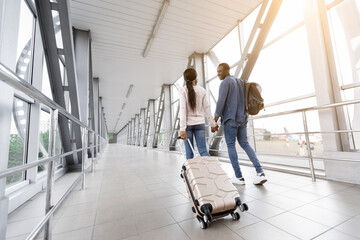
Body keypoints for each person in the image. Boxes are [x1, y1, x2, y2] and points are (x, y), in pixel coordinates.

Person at [214, 63, 267, 185]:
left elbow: (220, 102)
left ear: (227, 71)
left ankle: (239, 177)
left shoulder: (225, 83)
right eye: (217, 71)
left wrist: (215, 119)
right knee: (245, 144)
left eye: (220, 71)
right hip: (243, 118)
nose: (218, 74)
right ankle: (260, 172)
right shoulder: (240, 82)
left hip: (231, 119)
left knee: (231, 145)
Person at [179, 68, 218, 159]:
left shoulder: (182, 90)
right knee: (203, 151)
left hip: (187, 125)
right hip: (200, 124)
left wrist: (182, 128)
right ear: (196, 77)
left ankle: (191, 173)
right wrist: (213, 124)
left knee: (189, 153)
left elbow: (182, 109)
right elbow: (206, 109)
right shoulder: (202, 90)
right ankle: (211, 171)